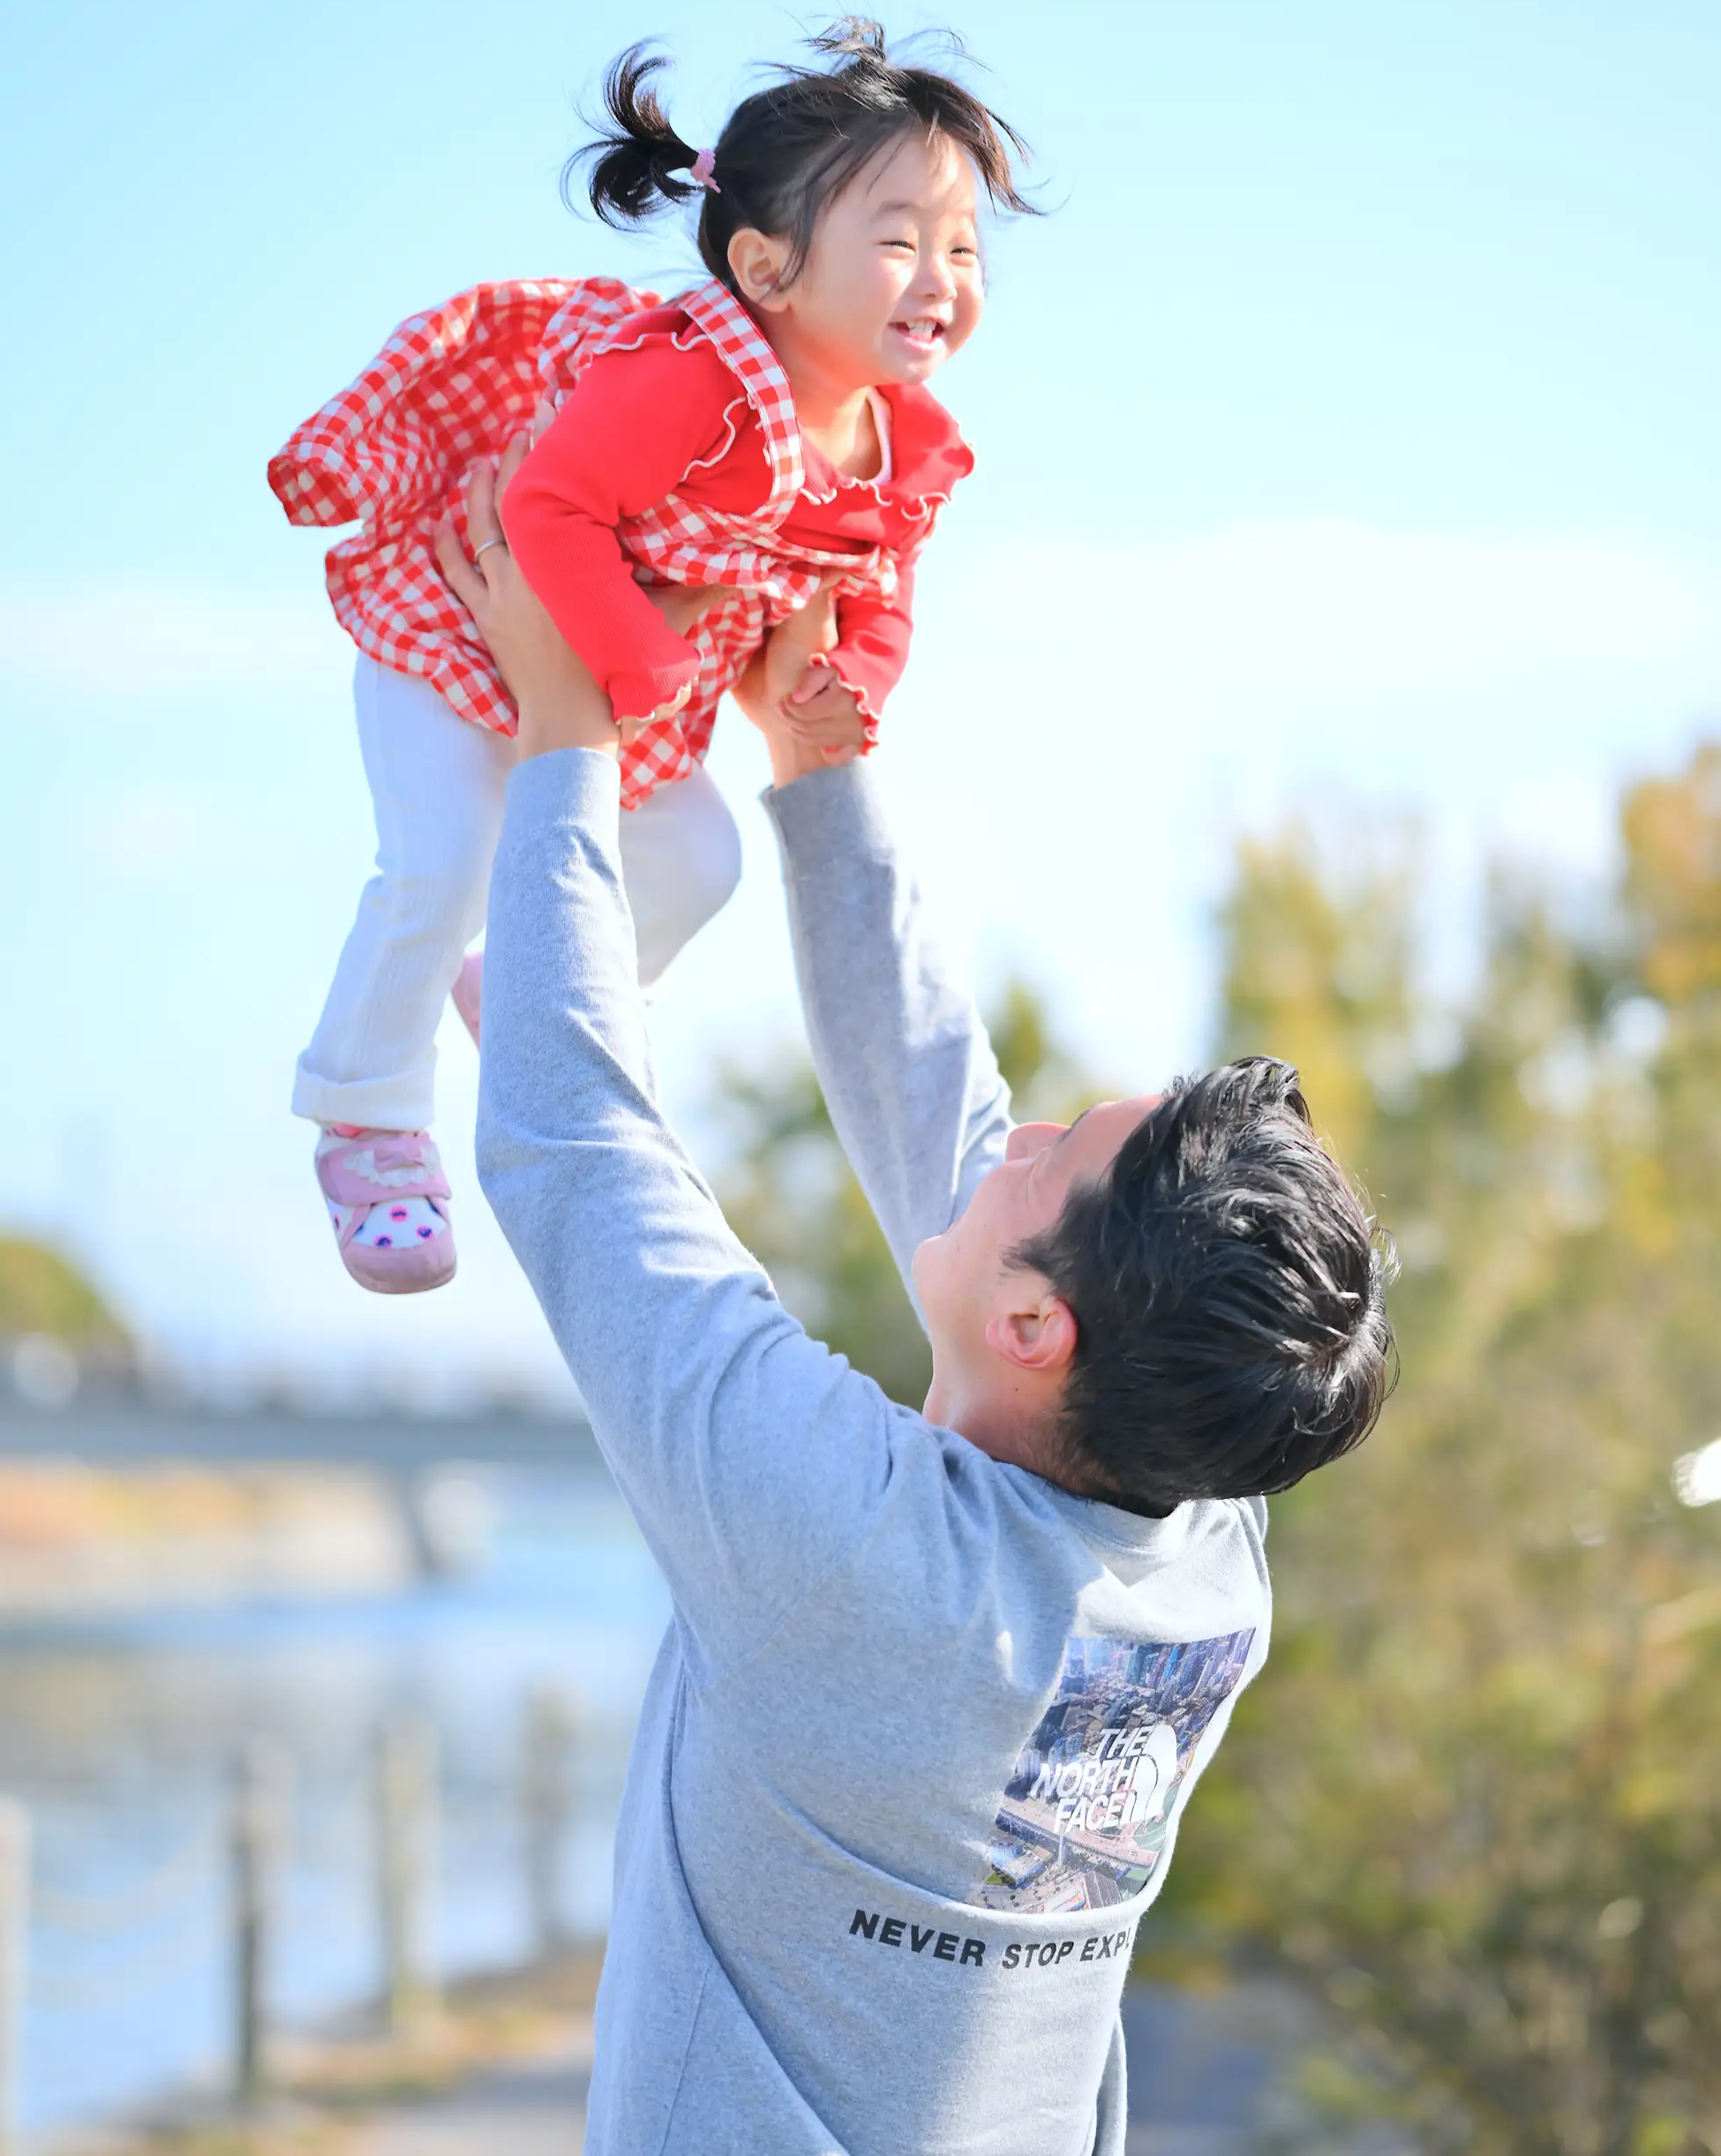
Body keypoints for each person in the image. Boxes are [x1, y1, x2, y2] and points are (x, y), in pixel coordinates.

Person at [439, 456, 1394, 2156]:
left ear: (1043, 1330)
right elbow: (945, 1122)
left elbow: (578, 1152)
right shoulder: (1202, 1564)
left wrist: (562, 731)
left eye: (1051, 1155)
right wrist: (819, 771)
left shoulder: (853, 1558)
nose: (1011, 1132)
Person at [267, 20, 1033, 1294]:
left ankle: (525, 994)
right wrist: (637, 669)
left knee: (702, 856)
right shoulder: (688, 379)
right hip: (463, 637)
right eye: (898, 240)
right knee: (441, 861)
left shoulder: (899, 446)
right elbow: (546, 507)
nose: (940, 276)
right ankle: (371, 1118)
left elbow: (880, 585)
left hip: (619, 709)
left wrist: (857, 685)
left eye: (962, 247)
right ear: (765, 268)